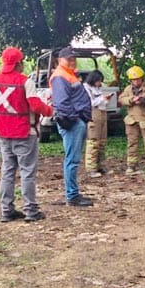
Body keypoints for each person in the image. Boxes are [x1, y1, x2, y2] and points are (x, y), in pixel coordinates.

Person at [0, 47, 54, 222]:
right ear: (18, 63)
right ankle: (31, 211)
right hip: (25, 133)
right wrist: (50, 110)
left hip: (3, 134)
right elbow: (35, 105)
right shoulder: (25, 81)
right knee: (27, 172)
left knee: (8, 171)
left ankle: (6, 210)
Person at [50, 46, 93, 206]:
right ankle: (72, 196)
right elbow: (62, 103)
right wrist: (76, 119)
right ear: (60, 60)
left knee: (72, 159)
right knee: (72, 160)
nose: (72, 61)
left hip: (76, 121)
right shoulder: (61, 76)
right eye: (69, 59)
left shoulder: (68, 75)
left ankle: (72, 193)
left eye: (73, 58)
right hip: (73, 123)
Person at [119, 65, 145, 175]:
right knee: (132, 143)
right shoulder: (128, 89)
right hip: (132, 121)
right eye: (133, 79)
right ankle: (131, 165)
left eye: (137, 79)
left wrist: (144, 100)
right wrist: (130, 100)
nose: (136, 81)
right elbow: (121, 99)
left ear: (142, 78)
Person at [83, 70, 112, 178]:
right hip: (93, 114)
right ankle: (91, 168)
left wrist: (106, 99)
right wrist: (101, 99)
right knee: (93, 141)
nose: (100, 84)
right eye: (99, 81)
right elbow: (89, 102)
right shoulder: (85, 88)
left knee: (102, 141)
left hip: (102, 113)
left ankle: (100, 166)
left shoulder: (97, 89)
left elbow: (100, 101)